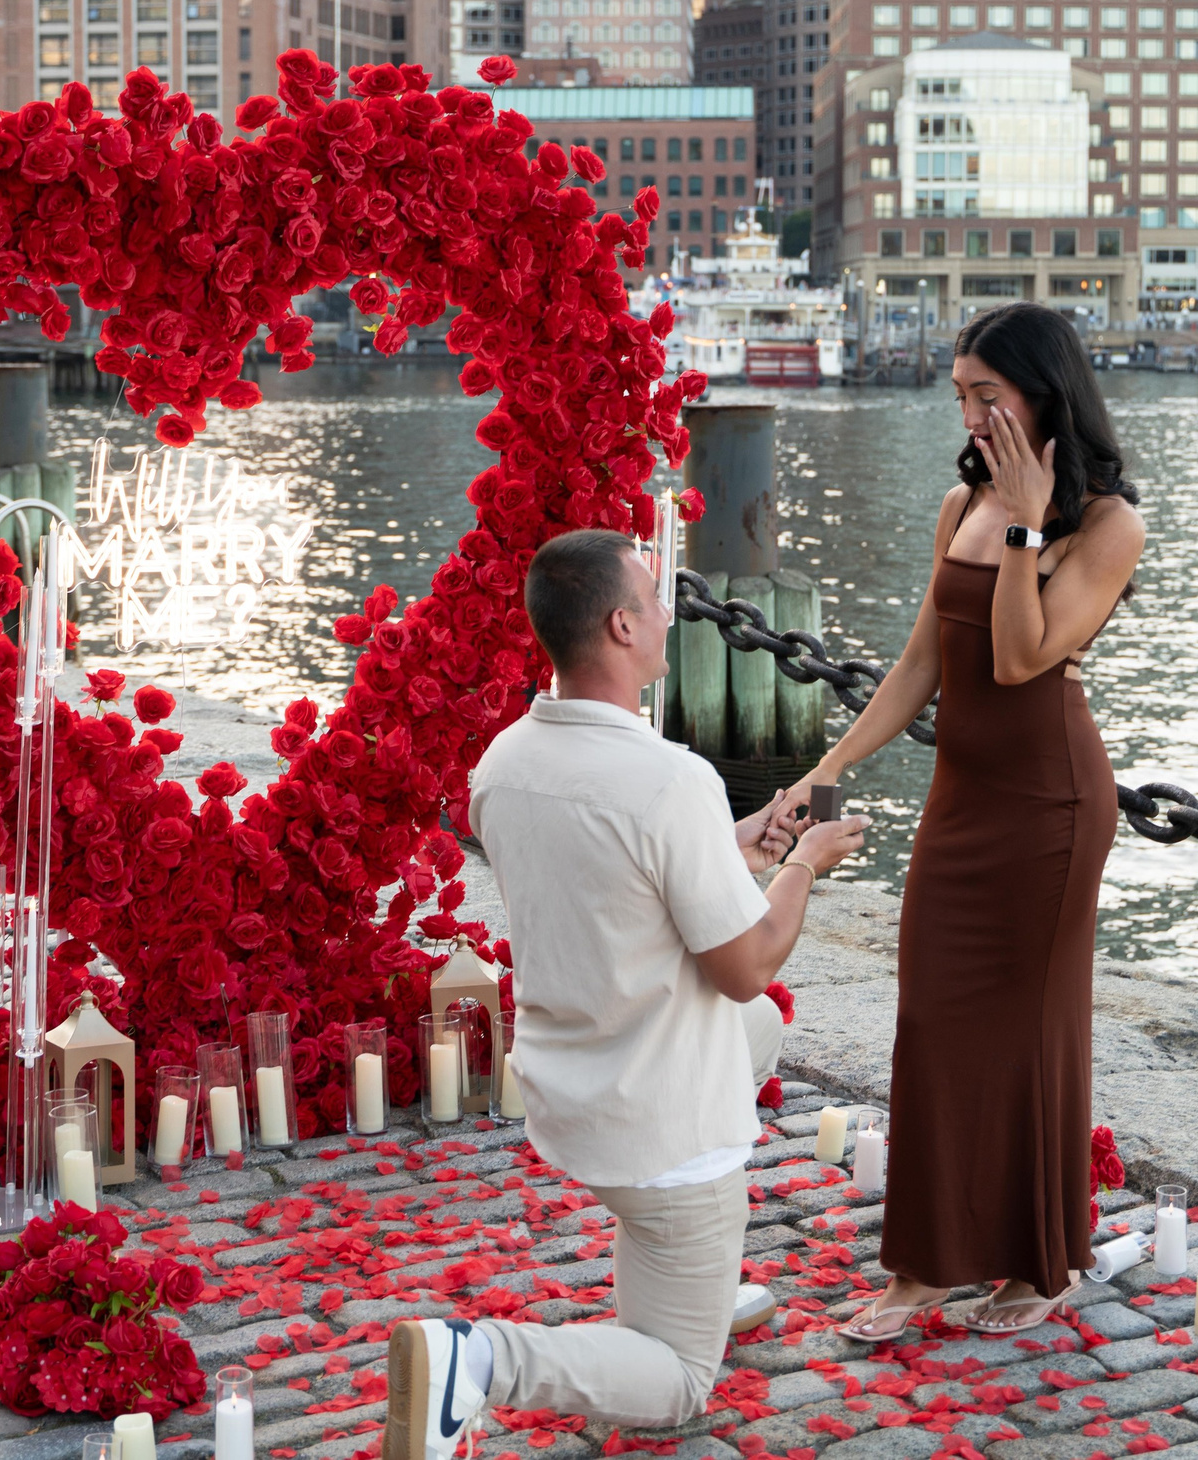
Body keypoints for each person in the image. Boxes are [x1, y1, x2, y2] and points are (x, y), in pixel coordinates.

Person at [385, 528, 871, 1460]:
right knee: (682, 1380)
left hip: (575, 1087)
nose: (668, 612)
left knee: (759, 1033)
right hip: (662, 1121)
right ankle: (478, 1359)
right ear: (620, 625)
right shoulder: (668, 779)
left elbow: (611, 875)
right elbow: (744, 965)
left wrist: (738, 840)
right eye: (654, 598)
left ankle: (695, 1272)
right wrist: (802, 864)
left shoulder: (504, 762)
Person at [784, 301, 1145, 1341]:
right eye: (961, 397)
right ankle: (925, 1266)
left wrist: (1032, 527)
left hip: (1050, 804)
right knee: (932, 1024)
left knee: (1032, 1034)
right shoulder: (959, 505)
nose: (974, 414)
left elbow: (1025, 655)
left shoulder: (1108, 525)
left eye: (990, 394)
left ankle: (1037, 1266)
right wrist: (824, 770)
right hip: (963, 798)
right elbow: (920, 667)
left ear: (1044, 393)